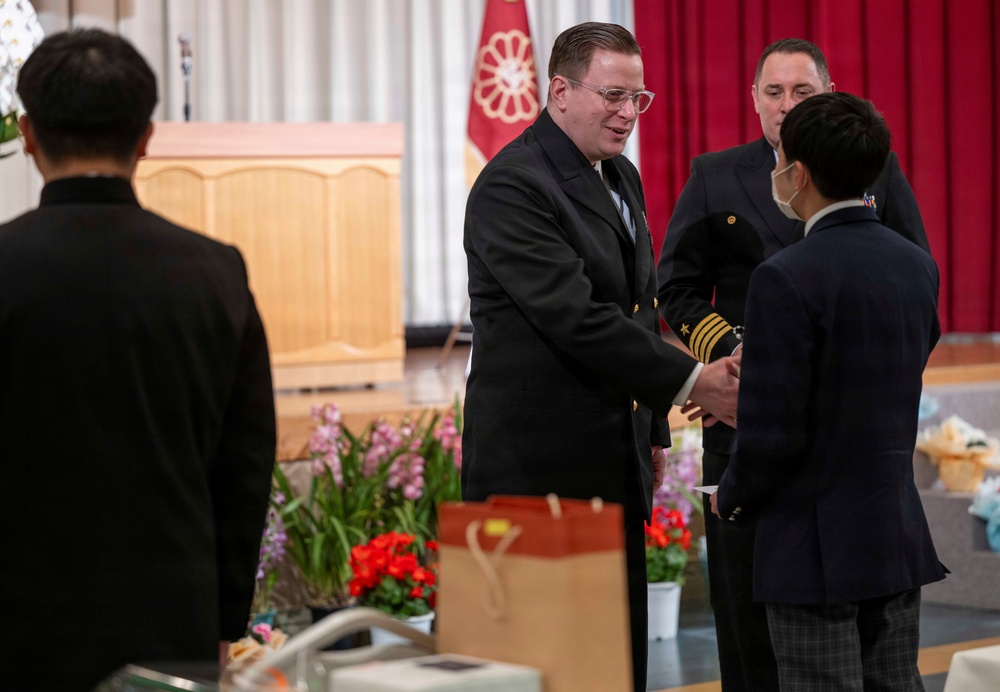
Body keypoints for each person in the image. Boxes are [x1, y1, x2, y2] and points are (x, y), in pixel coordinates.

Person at [462, 22, 739, 692]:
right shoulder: (513, 186)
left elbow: (638, 307)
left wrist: (649, 430)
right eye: (613, 96)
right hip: (535, 472)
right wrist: (695, 379)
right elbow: (577, 320)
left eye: (639, 100)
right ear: (559, 90)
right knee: (540, 667)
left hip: (611, 461)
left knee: (612, 666)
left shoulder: (620, 173)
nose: (628, 114)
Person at [0, 29, 276, 690]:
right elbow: (244, 461)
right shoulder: (214, 272)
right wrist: (225, 618)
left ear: (29, 133)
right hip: (169, 616)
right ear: (147, 136)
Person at [655, 37, 930, 691]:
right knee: (750, 633)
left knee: (847, 650)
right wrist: (729, 356)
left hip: (832, 440)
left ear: (828, 97)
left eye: (800, 92)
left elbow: (917, 293)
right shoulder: (715, 174)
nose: (784, 105)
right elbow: (679, 288)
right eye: (772, 92)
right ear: (753, 100)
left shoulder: (872, 170)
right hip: (745, 420)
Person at [712, 91, 945, 691]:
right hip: (894, 532)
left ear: (799, 174)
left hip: (812, 545)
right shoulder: (918, 265)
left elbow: (774, 428)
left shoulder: (786, 275)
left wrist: (731, 496)